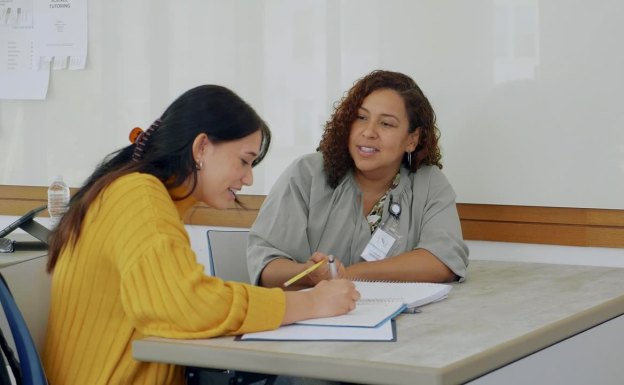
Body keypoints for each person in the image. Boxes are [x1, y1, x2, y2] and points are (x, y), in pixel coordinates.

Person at [42, 85, 359, 385]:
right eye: (244, 161)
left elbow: (186, 296)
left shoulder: (141, 194)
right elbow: (184, 305)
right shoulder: (138, 195)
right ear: (202, 147)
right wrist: (311, 304)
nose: (248, 178)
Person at [248, 70, 469, 289]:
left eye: (386, 124)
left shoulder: (429, 182)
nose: (368, 132)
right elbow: (266, 267)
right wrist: (310, 275)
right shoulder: (306, 174)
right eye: (361, 118)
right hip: (314, 317)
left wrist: (347, 275)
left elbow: (442, 261)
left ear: (412, 139)